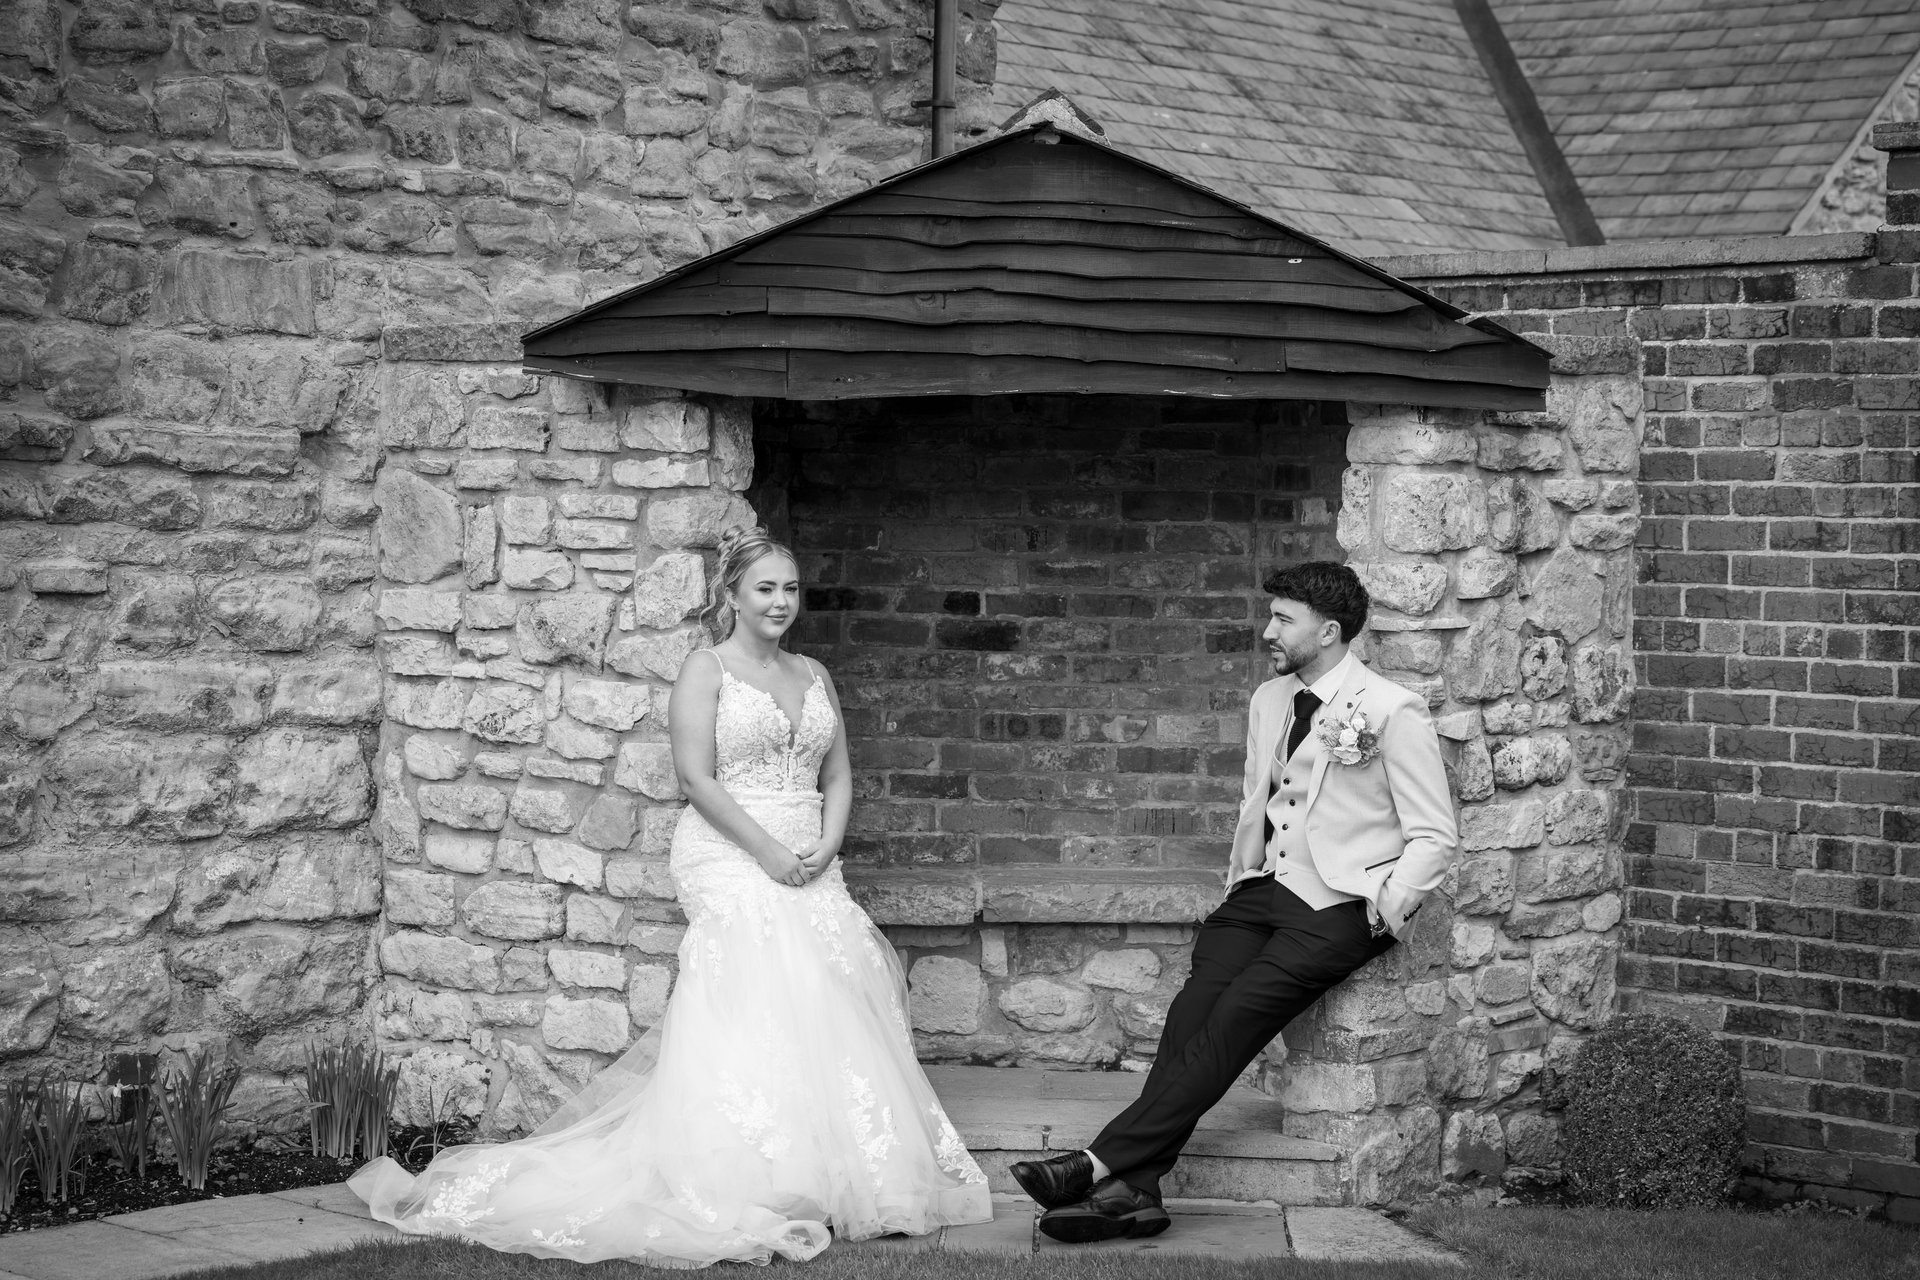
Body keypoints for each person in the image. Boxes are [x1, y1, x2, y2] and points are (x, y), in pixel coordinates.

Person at [350, 526, 991, 1265]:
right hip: (730, 850)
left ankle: (840, 1170)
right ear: (732, 597)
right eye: (765, 589)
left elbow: (839, 774)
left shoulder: (815, 673)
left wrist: (825, 846)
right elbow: (697, 780)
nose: (780, 602)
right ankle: (748, 1172)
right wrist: (770, 852)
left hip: (812, 854)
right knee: (757, 978)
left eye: (789, 588)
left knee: (830, 986)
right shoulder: (706, 669)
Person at [1010, 561, 1459, 1242]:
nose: (1267, 630)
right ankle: (1137, 1189)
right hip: (1259, 892)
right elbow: (1261, 801)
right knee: (1193, 1016)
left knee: (1236, 1019)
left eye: (1283, 619)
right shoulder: (1269, 700)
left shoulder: (1392, 710)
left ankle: (1095, 1163)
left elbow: (1434, 834)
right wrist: (1237, 880)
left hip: (1341, 904)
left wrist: (1388, 905)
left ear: (1329, 631)